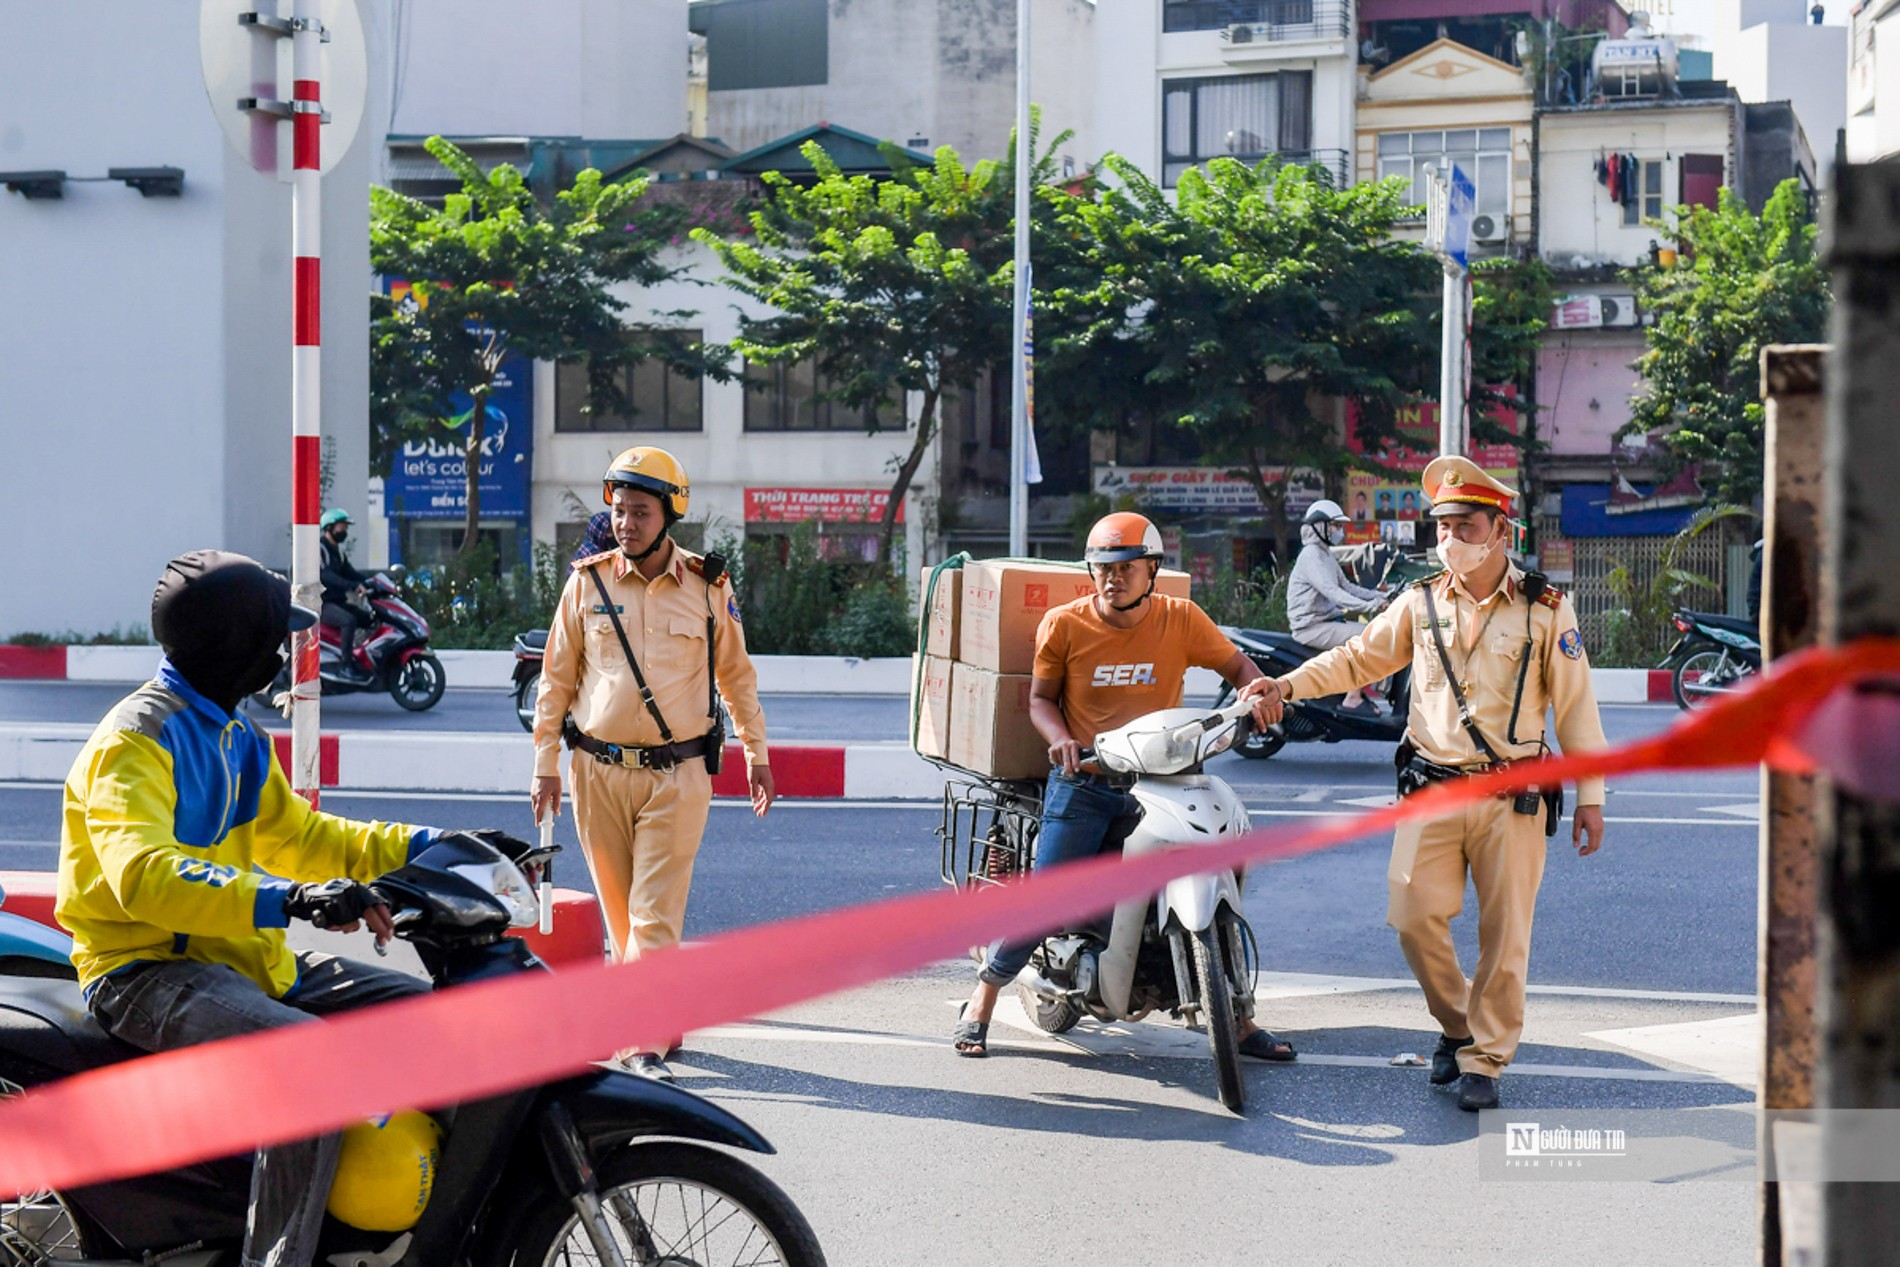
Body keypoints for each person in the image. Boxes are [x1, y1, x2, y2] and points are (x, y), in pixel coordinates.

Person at [56, 550, 529, 1267]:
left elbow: (305, 837)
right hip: (145, 973)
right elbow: (144, 877)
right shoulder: (135, 742)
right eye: (275, 639)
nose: (284, 653)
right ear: (236, 647)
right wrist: (291, 899)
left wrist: (436, 844)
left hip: (244, 961)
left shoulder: (236, 734)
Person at [1258, 457, 1609, 1111]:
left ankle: (1486, 1060)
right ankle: (1458, 1024)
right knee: (1413, 915)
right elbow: (1358, 657)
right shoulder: (1419, 602)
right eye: (1441, 526)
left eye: (1464, 525)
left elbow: (1577, 708)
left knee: (1505, 937)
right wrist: (1286, 683)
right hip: (1432, 786)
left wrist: (1592, 795)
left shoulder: (1544, 610)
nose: (1449, 539)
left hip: (1514, 797)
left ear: (1500, 530)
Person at [951, 512, 1292, 1060]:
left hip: (1164, 781)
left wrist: (1259, 692)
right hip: (1084, 782)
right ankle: (983, 997)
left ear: (1152, 569)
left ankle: (1240, 1019)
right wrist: (1060, 740)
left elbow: (1238, 668)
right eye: (1104, 568)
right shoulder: (1064, 624)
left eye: (1127, 567)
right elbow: (1040, 700)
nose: (1114, 578)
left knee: (1219, 865)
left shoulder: (1181, 619)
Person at [530, 446, 774, 1082]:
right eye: (618, 510)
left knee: (652, 912)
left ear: (670, 514)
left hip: (679, 773)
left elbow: (737, 677)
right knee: (621, 914)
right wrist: (544, 763)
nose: (626, 523)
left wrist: (756, 751)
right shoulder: (587, 582)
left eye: (640, 511)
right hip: (595, 771)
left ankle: (638, 1044)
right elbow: (555, 681)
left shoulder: (707, 584)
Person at [1286, 499, 1387, 713]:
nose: (1339, 531)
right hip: (1311, 627)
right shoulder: (1312, 556)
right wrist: (1372, 606)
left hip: (1327, 621)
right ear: (1320, 526)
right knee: (1365, 636)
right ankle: (1353, 698)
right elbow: (1334, 593)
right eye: (1335, 525)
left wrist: (1380, 595)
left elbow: (1348, 586)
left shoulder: (1325, 553)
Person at [318, 508, 376, 681]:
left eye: (345, 528)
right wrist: (353, 585)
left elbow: (351, 573)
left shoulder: (338, 552)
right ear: (329, 528)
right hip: (322, 603)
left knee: (368, 618)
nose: (345, 532)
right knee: (348, 620)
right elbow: (326, 576)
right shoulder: (320, 549)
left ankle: (360, 657)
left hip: (337, 601)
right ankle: (345, 665)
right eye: (342, 527)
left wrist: (372, 582)